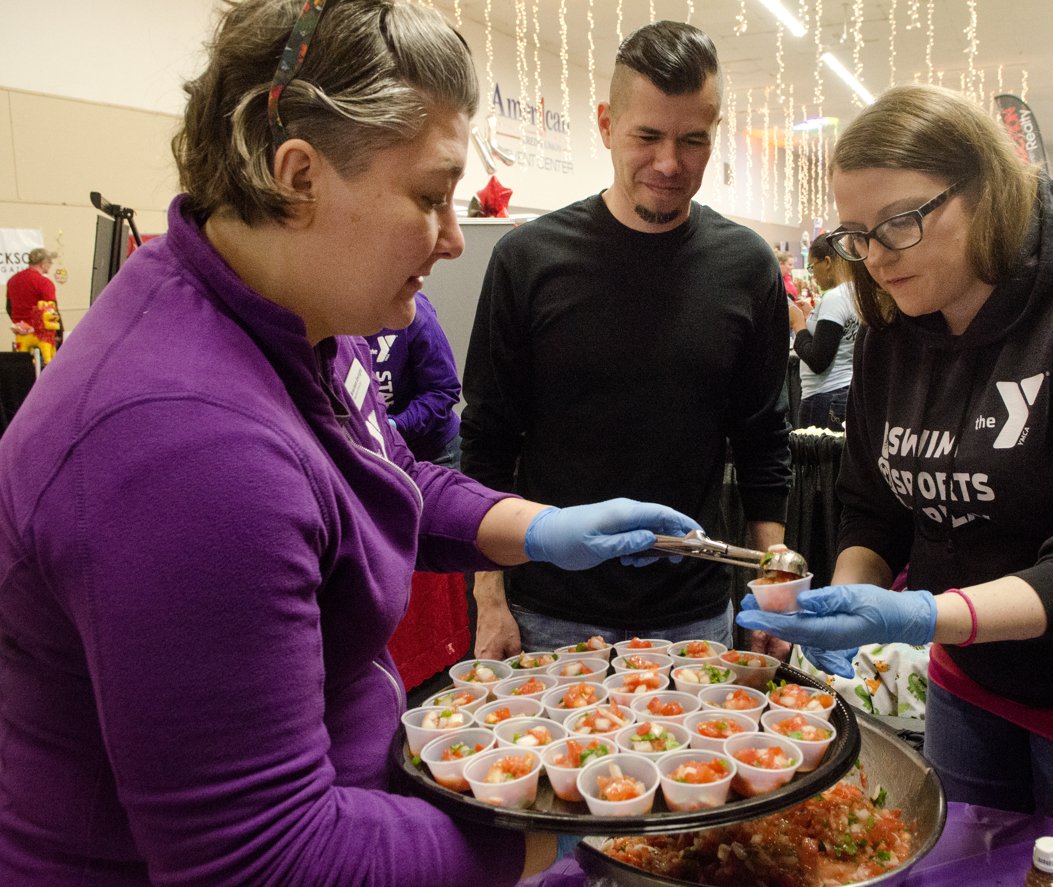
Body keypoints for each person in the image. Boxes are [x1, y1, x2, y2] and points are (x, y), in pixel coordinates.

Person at [0, 2, 701, 883]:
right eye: (428, 196)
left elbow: (385, 466)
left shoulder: (291, 315)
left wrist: (536, 525)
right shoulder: (183, 450)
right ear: (299, 175)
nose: (453, 238)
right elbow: (270, 860)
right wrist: (564, 828)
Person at [738, 84, 1053, 828]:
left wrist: (921, 613)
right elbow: (873, 504)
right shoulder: (894, 321)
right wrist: (846, 605)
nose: (878, 260)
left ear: (989, 189)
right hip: (974, 679)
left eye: (902, 223)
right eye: (856, 234)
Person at [461, 21, 792, 657]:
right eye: (648, 136)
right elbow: (488, 440)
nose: (670, 163)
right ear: (607, 124)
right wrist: (489, 598)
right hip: (547, 612)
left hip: (694, 613)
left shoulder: (748, 267)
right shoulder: (527, 259)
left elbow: (762, 438)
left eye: (692, 140)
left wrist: (772, 579)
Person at [367, 290, 463, 468]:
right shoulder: (337, 324)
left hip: (435, 452)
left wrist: (395, 425)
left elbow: (443, 391)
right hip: (379, 454)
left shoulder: (413, 311)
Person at [789, 232, 858, 430]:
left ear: (827, 262)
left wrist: (798, 324)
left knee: (816, 461)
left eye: (812, 267)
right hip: (842, 391)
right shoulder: (854, 293)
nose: (813, 275)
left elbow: (818, 360)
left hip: (824, 397)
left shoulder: (834, 298)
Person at [5, 247, 58, 328]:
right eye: (50, 262)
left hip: (21, 332)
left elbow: (9, 307)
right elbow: (52, 311)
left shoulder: (12, 280)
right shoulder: (44, 282)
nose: (50, 265)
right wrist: (59, 334)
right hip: (42, 334)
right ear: (43, 264)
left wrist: (20, 325)